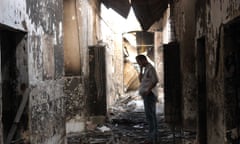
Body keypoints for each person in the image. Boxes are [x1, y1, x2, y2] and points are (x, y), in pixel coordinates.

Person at [135, 55, 158, 144]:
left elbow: (155, 80)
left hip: (150, 95)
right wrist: (140, 69)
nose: (138, 64)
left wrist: (148, 91)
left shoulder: (151, 68)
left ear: (143, 60)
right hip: (147, 95)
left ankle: (151, 139)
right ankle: (154, 138)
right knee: (152, 116)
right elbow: (140, 80)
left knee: (150, 117)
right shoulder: (145, 69)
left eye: (139, 62)